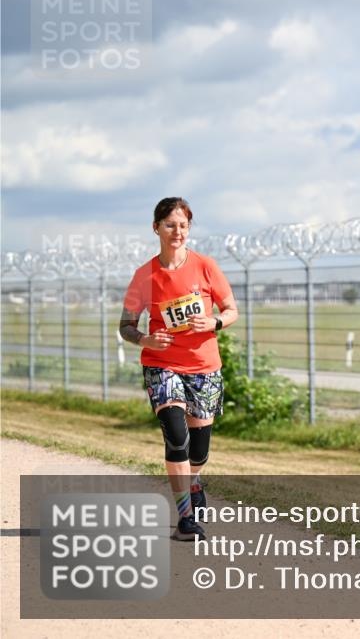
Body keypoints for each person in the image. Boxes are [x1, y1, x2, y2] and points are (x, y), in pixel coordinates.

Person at [120, 197, 238, 540]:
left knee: (198, 449)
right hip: (161, 365)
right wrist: (146, 340)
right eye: (170, 224)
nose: (178, 232)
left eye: (184, 225)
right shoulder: (145, 275)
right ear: (156, 227)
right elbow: (125, 325)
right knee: (177, 437)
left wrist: (213, 322)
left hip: (204, 366)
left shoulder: (206, 266)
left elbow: (231, 310)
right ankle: (185, 518)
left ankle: (194, 481)